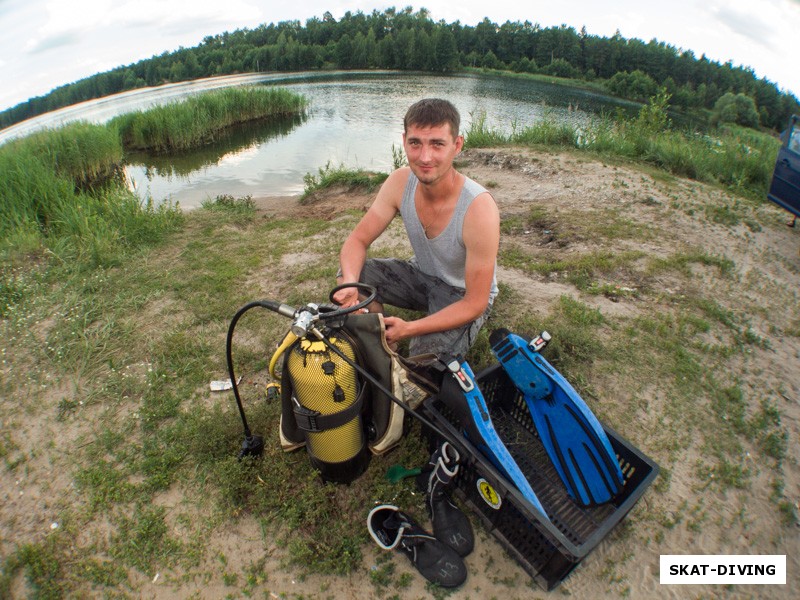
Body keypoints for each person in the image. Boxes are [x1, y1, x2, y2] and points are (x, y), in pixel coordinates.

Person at [333, 98, 500, 358]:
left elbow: (475, 302)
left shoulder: (478, 208)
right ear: (404, 141)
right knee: (351, 272)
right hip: (422, 275)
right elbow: (357, 240)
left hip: (461, 294)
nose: (425, 157)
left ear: (457, 146)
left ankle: (394, 344)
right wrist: (351, 285)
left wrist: (409, 328)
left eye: (437, 144)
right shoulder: (400, 182)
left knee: (419, 367)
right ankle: (379, 342)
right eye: (415, 143)